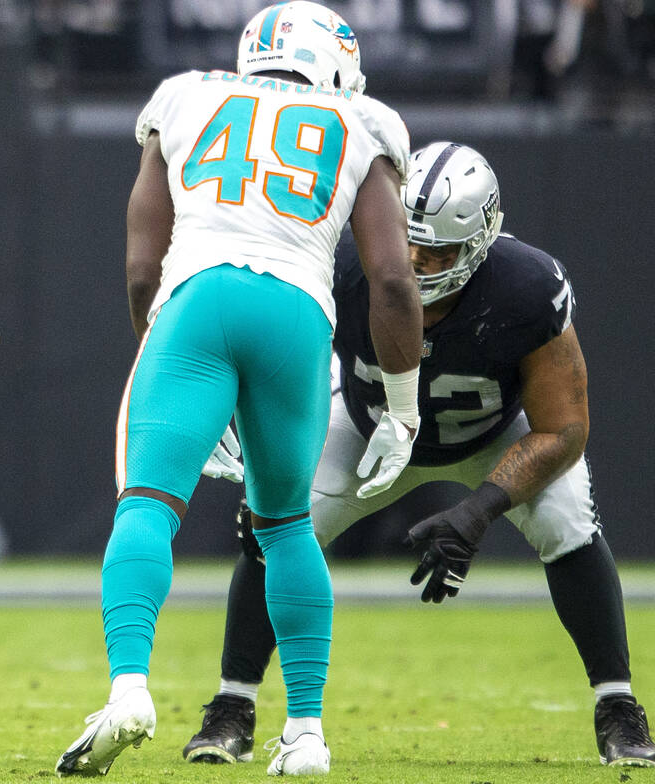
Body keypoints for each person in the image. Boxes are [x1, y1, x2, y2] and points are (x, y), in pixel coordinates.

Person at [183, 141, 655, 769]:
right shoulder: (346, 265)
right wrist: (267, 453)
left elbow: (565, 431)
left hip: (491, 435)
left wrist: (479, 510)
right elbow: (277, 353)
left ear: (482, 240)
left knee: (568, 524)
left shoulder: (527, 288)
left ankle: (618, 708)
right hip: (366, 424)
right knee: (278, 530)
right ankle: (232, 707)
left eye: (437, 250)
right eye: (408, 241)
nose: (415, 262)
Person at [56, 1, 423, 777]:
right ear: (335, 63)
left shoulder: (186, 94)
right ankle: (308, 732)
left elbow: (138, 265)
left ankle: (129, 689)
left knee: (148, 504)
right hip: (297, 314)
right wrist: (401, 403)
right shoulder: (361, 121)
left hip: (199, 299)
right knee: (286, 526)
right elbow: (393, 279)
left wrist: (170, 359)